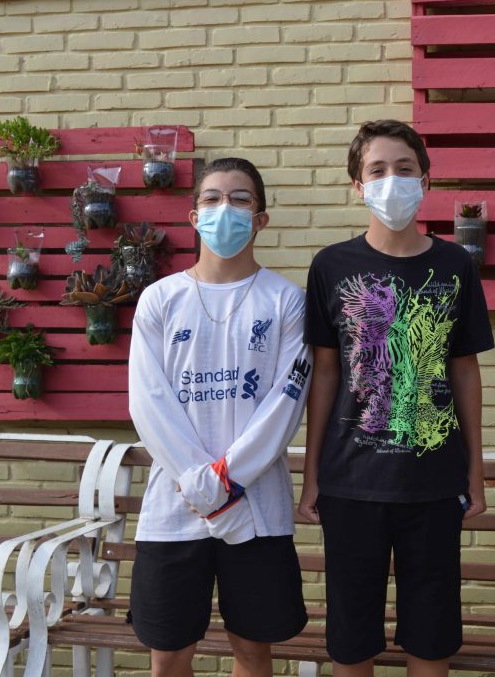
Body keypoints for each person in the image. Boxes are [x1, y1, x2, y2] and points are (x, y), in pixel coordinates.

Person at [298, 120, 494, 677]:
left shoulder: (456, 265)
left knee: (431, 643)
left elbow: (465, 372)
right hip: (351, 484)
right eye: (377, 170)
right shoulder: (331, 267)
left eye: (404, 168)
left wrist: (476, 470)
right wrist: (312, 474)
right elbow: (325, 376)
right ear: (358, 186)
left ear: (425, 181)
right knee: (351, 642)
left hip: (434, 483)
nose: (392, 180)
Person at [127, 157, 310, 677]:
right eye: (211, 198)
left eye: (240, 199)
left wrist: (226, 483)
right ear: (194, 217)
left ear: (261, 218)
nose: (224, 209)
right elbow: (148, 401)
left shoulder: (286, 301)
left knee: (252, 653)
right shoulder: (160, 299)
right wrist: (202, 483)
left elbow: (285, 404)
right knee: (168, 657)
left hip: (258, 512)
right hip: (174, 510)